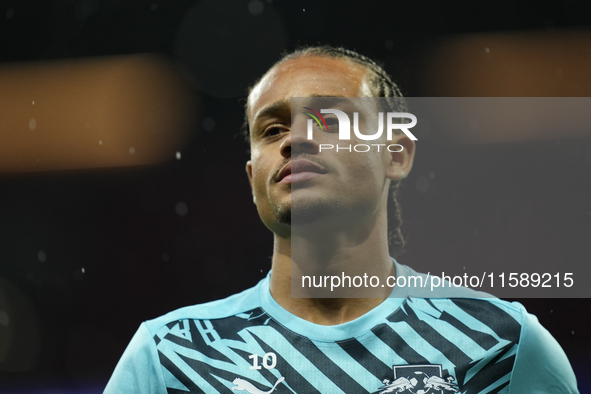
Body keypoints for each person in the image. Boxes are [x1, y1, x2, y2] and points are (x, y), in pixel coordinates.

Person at [104, 46, 579, 393]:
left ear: (396, 154)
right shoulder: (169, 359)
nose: (294, 140)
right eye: (272, 130)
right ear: (253, 177)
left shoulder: (503, 346)